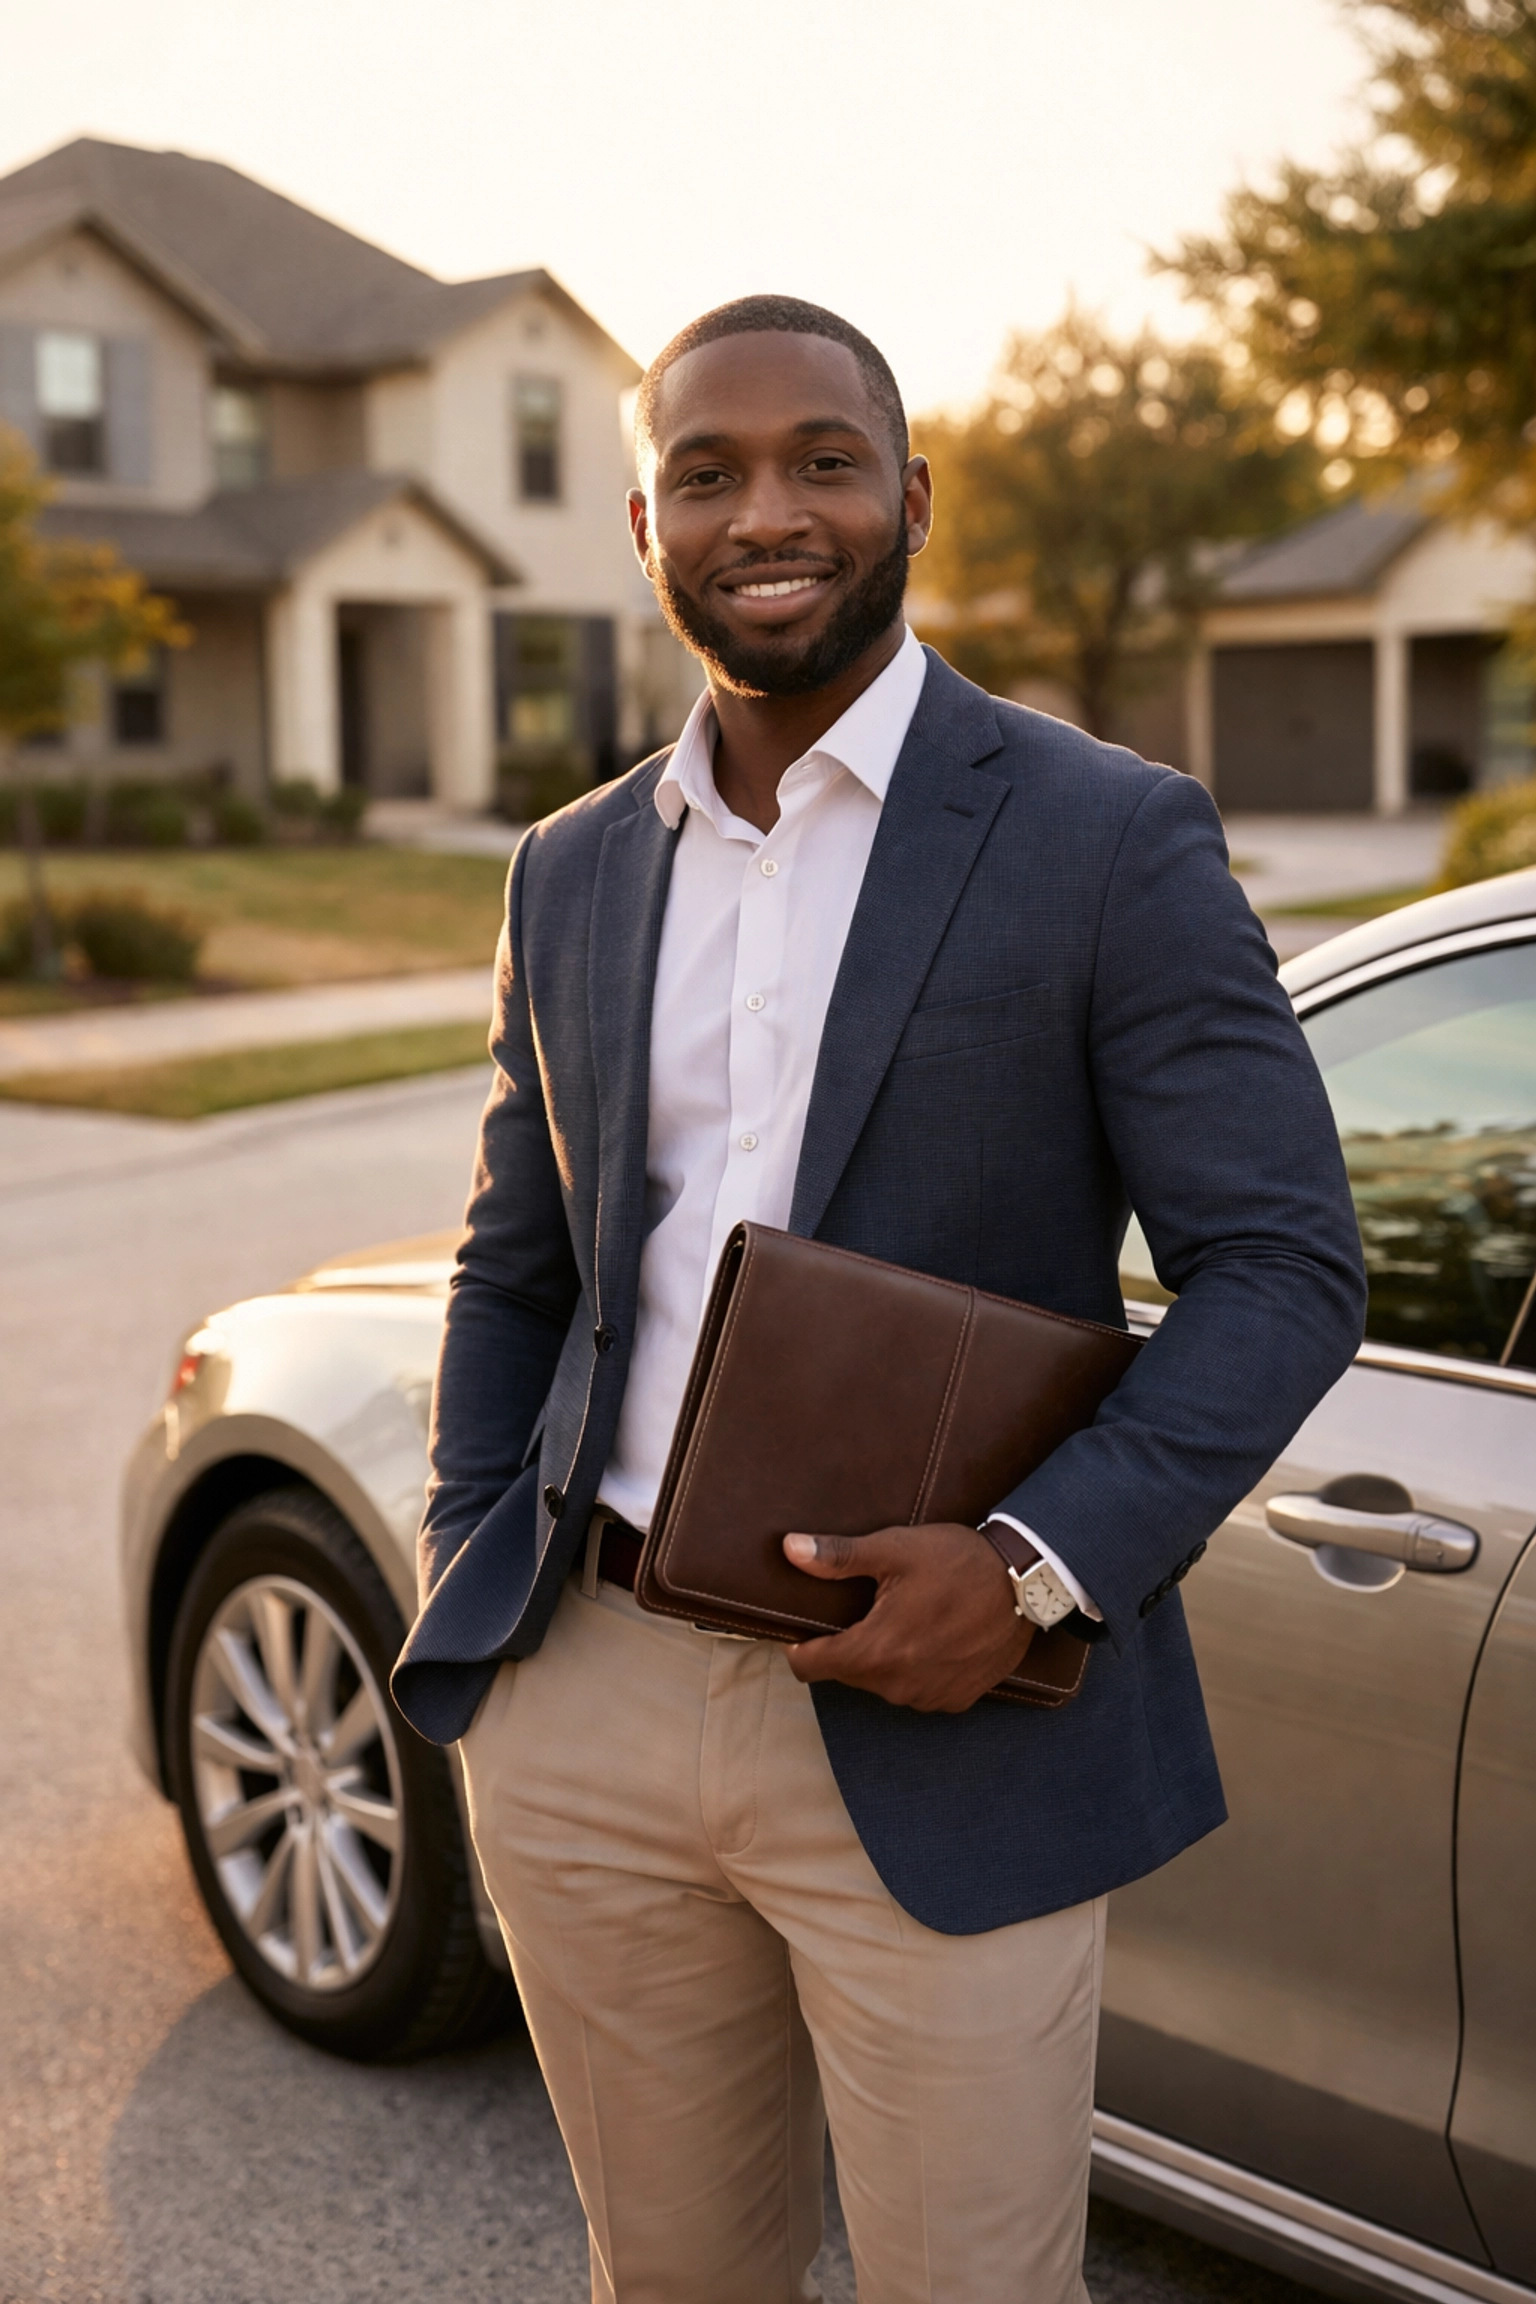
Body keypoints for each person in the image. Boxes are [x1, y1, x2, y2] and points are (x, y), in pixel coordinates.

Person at [392, 294, 1366, 2304]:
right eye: (709, 470)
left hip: (935, 1702)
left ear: (910, 495)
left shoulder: (1106, 838)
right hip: (588, 1690)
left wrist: (1024, 1570)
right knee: (669, 2278)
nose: (773, 508)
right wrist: (473, 1567)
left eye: (824, 459)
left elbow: (1284, 1268)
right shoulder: (572, 868)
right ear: (644, 533)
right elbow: (521, 1260)